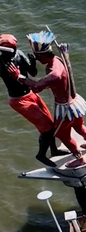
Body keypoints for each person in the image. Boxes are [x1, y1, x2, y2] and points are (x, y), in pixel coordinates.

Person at [25, 30, 86, 168]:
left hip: (66, 109)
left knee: (62, 135)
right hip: (75, 102)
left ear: (43, 55)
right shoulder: (59, 59)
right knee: (79, 126)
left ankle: (79, 158)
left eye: (37, 56)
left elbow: (36, 87)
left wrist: (19, 77)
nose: (37, 59)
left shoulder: (54, 73)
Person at [0, 33, 60, 166]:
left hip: (31, 93)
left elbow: (33, 74)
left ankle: (54, 150)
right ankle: (41, 155)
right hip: (19, 100)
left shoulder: (19, 55)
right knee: (47, 129)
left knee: (51, 124)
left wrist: (32, 64)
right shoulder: (1, 62)